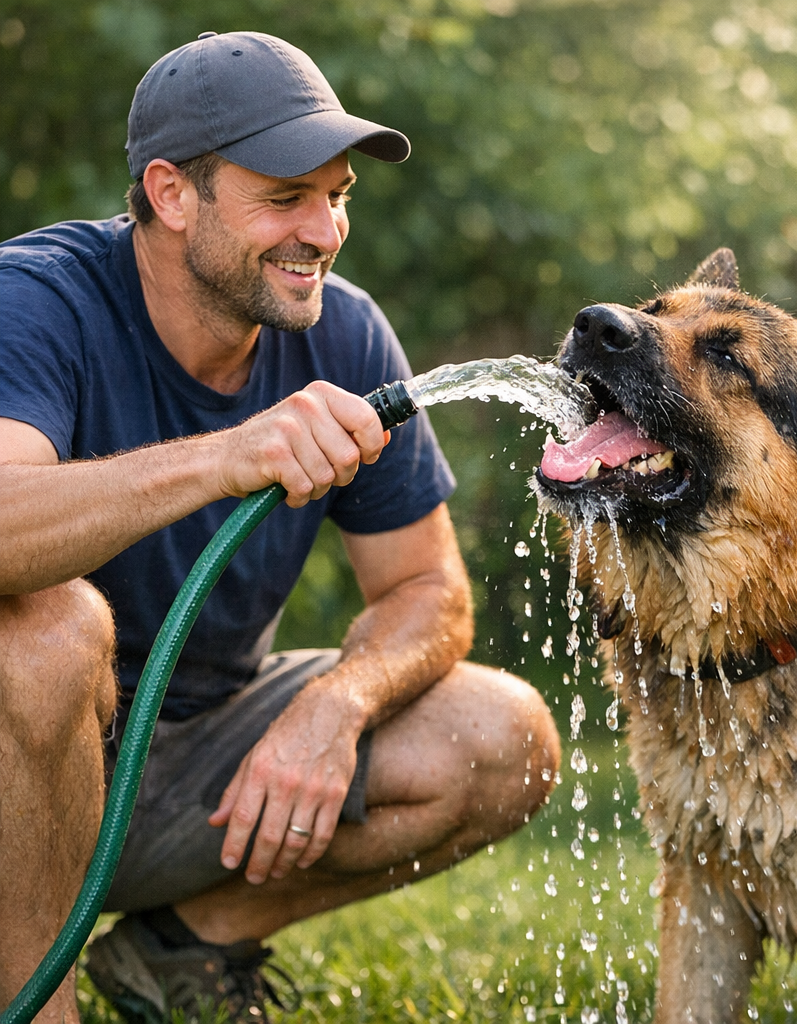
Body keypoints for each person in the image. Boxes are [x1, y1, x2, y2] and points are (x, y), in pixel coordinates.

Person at [0, 30, 560, 1024]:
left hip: (190, 760)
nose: (324, 229)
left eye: (337, 195)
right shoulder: (37, 300)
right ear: (172, 195)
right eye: (285, 197)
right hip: (23, 761)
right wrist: (222, 457)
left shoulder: (341, 330)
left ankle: (180, 949)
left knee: (500, 731)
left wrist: (336, 706)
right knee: (51, 633)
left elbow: (430, 591)